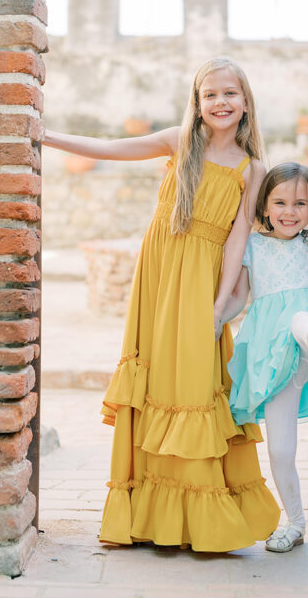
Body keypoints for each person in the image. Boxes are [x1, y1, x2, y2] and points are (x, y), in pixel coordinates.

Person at [42, 57, 280, 551]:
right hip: (159, 274)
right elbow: (110, 148)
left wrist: (220, 306)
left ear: (245, 102)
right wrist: (46, 136)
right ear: (196, 103)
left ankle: (198, 517)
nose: (220, 102)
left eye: (230, 94)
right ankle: (152, 517)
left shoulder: (252, 168)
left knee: (191, 383)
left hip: (201, 283)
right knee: (155, 380)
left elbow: (239, 238)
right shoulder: (179, 143)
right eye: (209, 94)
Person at [222, 162, 308, 553]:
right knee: (281, 450)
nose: (290, 212)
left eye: (301, 204)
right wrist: (217, 319)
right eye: (280, 203)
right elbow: (238, 298)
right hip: (276, 363)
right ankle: (296, 523)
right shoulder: (251, 246)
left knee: (301, 319)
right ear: (263, 207)